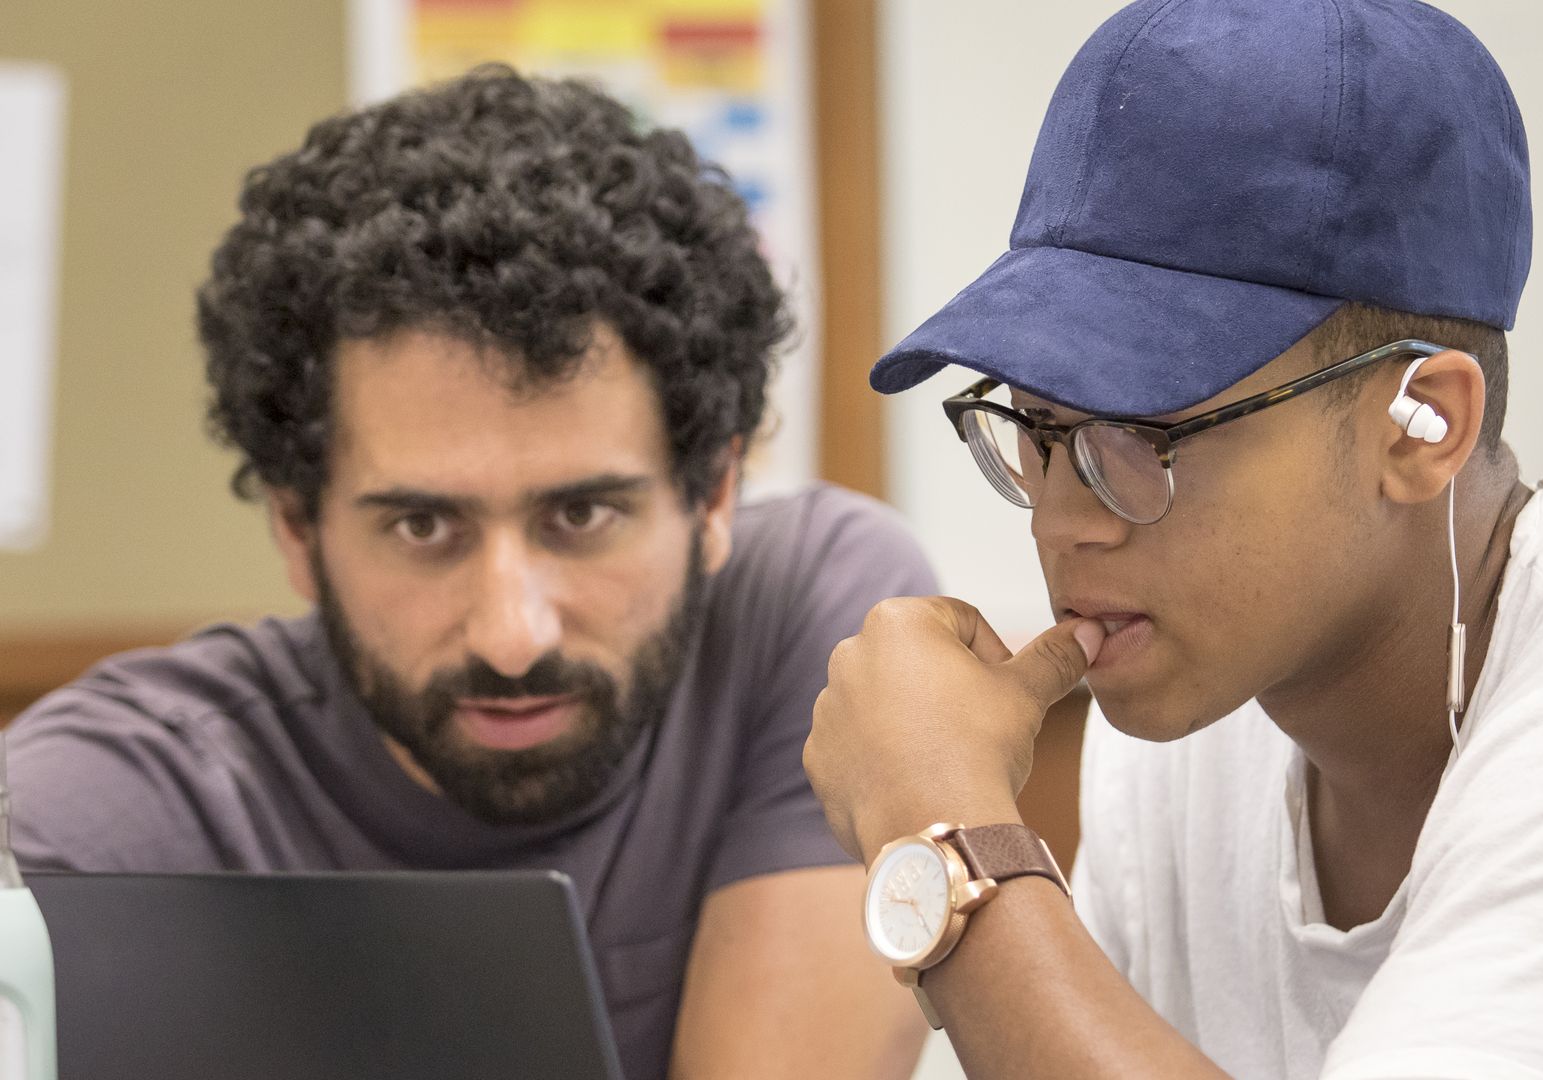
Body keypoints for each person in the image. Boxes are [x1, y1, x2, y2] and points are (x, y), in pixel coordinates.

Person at [802, 1, 1543, 1077]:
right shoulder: (1193, 710)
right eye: (1036, 433)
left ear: (1422, 426)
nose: (1060, 521)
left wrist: (948, 843)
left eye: (1140, 436)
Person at [7, 66, 931, 1079]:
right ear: (295, 529)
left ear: (713, 497)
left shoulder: (813, 623)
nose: (512, 634)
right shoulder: (130, 796)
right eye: (422, 527)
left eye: (581, 516)